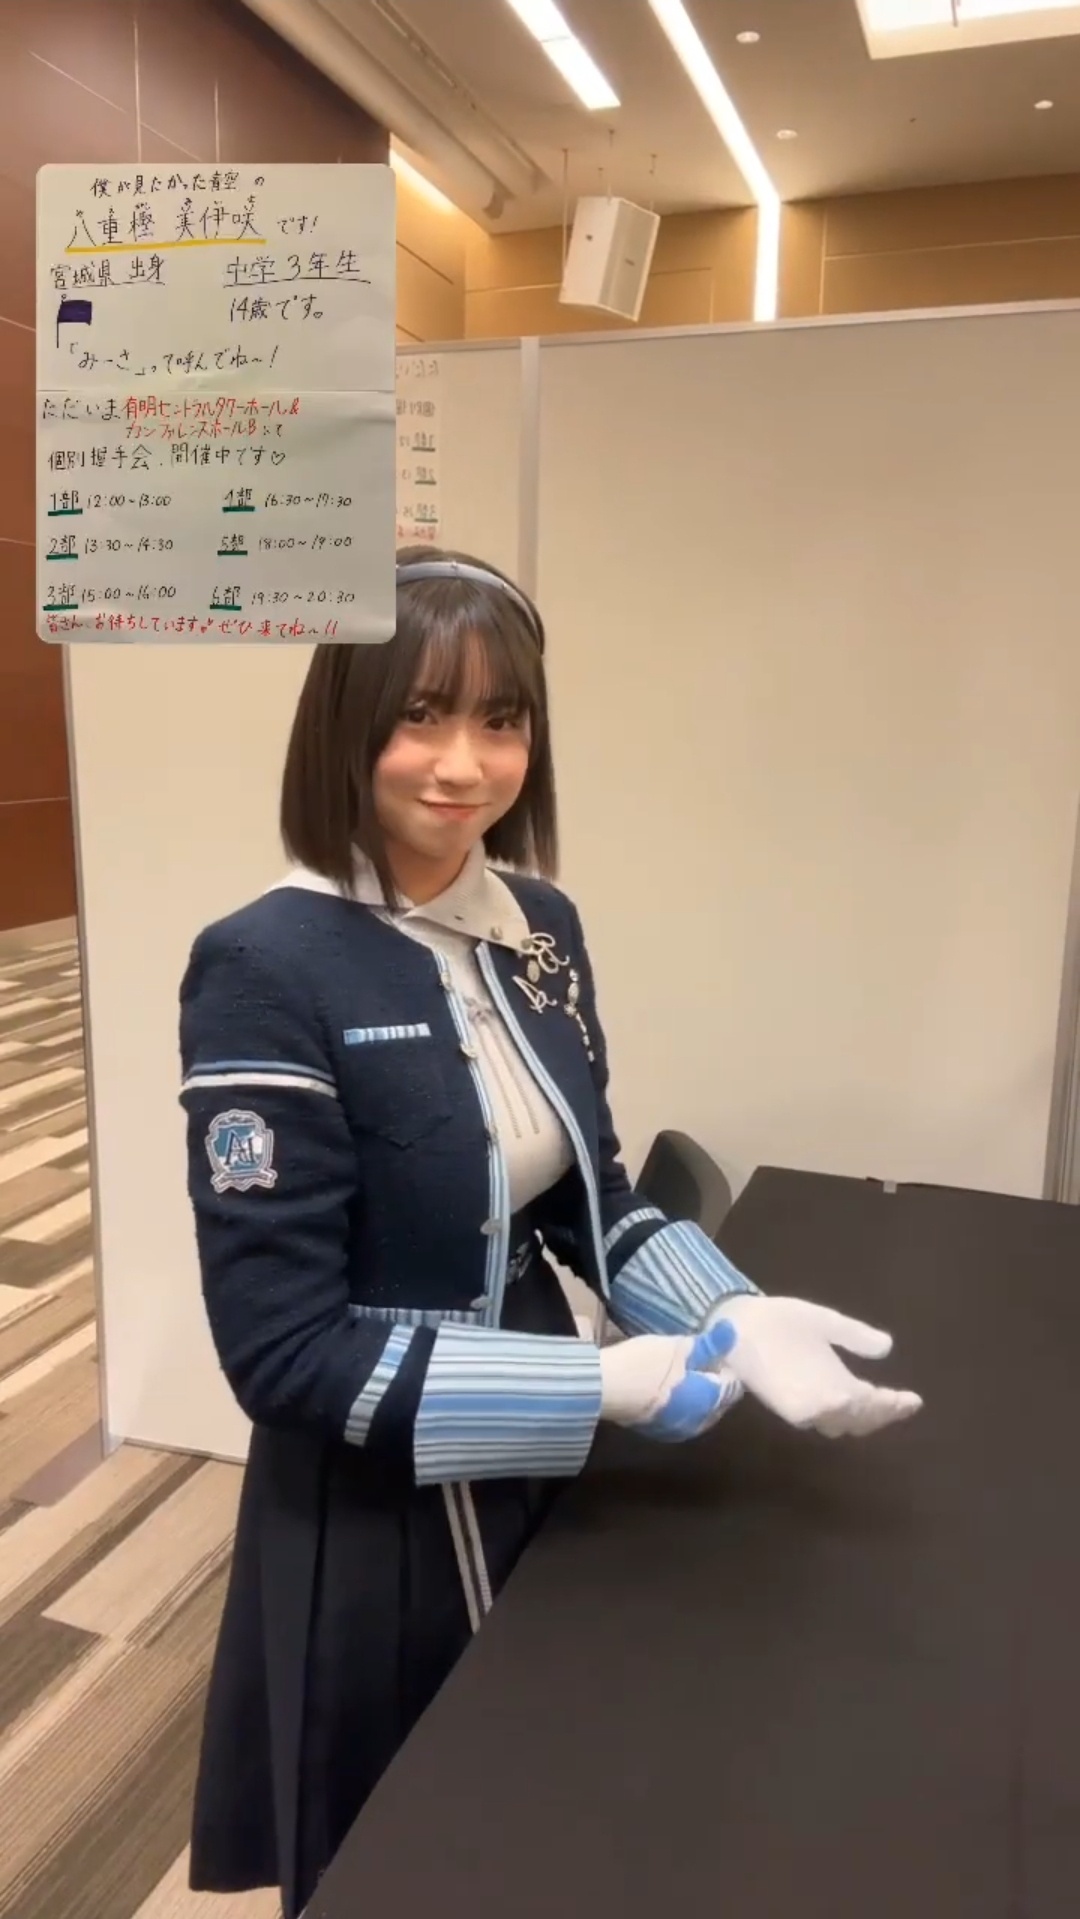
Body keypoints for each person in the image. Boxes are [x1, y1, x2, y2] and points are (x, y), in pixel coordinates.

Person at [179, 547, 921, 1916]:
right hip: (378, 1491)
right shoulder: (266, 963)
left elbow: (595, 1199)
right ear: (345, 721)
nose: (464, 764)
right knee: (419, 1845)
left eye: (501, 718)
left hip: (542, 1448)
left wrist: (729, 1311)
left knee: (567, 1808)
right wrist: (598, 1388)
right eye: (419, 714)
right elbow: (281, 1352)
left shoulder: (540, 925)